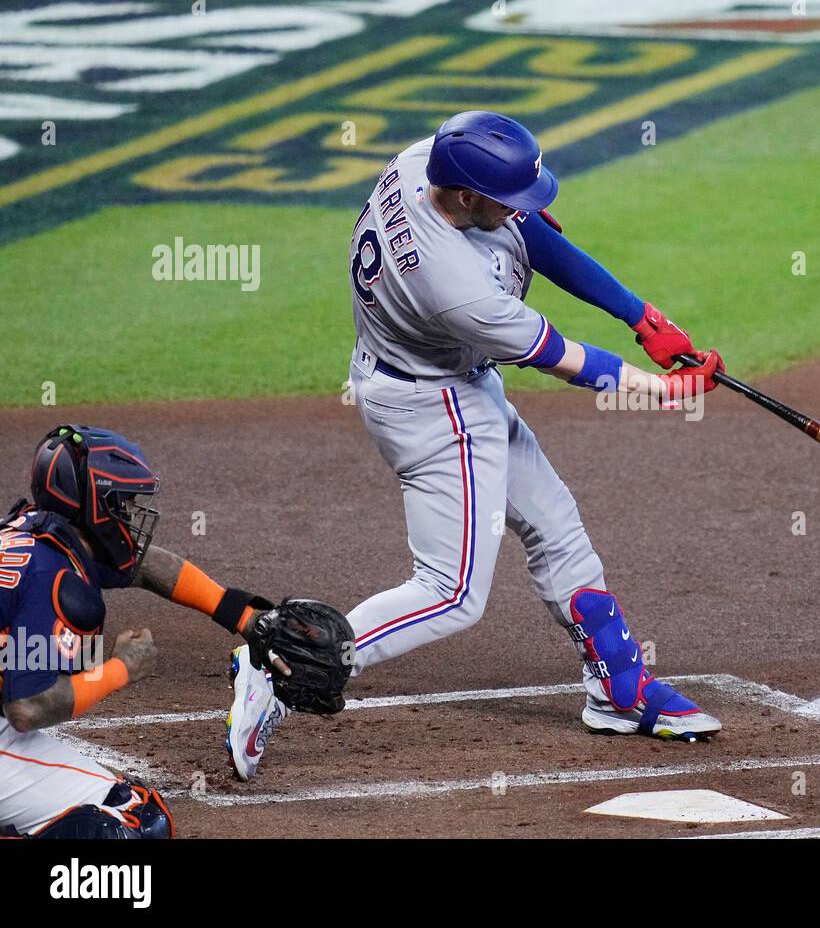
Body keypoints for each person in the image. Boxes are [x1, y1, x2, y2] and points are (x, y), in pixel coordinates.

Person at [226, 110, 725, 781]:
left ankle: (617, 691)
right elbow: (565, 359)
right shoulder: (453, 285)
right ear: (466, 196)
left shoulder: (425, 161)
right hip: (434, 407)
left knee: (556, 526)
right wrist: (667, 393)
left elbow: (534, 238)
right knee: (450, 591)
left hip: (432, 377)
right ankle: (281, 659)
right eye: (507, 197)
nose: (521, 207)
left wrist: (640, 315)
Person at [1, 425, 275, 837]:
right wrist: (121, 669)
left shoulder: (26, 533)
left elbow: (143, 566)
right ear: (93, 505)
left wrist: (242, 616)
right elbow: (28, 708)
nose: (129, 517)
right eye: (122, 504)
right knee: (135, 821)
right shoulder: (52, 575)